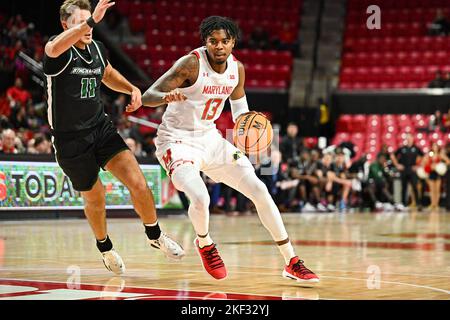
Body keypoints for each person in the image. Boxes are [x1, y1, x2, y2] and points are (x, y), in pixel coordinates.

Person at [137, 16, 319, 283]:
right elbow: (147, 95)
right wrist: (166, 96)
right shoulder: (190, 64)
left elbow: (239, 114)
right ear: (205, 43)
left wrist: (250, 127)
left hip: (211, 139)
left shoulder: (237, 70)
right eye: (213, 41)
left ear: (233, 42)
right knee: (200, 198)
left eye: (225, 41)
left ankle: (291, 261)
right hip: (176, 141)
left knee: (259, 189)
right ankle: (205, 243)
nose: (219, 46)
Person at [43, 0, 184, 275]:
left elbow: (106, 73)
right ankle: (105, 248)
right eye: (80, 22)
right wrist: (92, 20)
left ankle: (156, 236)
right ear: (65, 25)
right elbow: (53, 47)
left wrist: (131, 88)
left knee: (138, 182)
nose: (87, 28)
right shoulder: (57, 50)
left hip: (100, 128)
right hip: (70, 139)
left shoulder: (96, 48)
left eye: (90, 22)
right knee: (96, 198)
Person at [391, 133, 424, 209]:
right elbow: (393, 156)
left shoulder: (416, 148)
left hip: (412, 170)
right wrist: (397, 165)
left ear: (412, 138)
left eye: (410, 137)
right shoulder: (402, 148)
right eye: (407, 138)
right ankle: (403, 204)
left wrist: (418, 166)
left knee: (415, 187)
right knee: (404, 187)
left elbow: (424, 156)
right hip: (404, 170)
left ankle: (418, 204)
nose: (408, 139)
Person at [421, 142, 449, 211]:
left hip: (438, 173)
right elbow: (424, 162)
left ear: (438, 147)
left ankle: (436, 204)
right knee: (432, 189)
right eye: (434, 146)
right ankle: (432, 204)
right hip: (431, 173)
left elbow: (448, 161)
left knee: (437, 190)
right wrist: (429, 165)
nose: (435, 148)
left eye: (436, 146)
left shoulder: (440, 155)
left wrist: (441, 165)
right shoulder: (430, 154)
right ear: (432, 147)